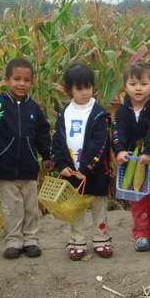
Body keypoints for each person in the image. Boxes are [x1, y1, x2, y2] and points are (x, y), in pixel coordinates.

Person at [0, 58, 52, 260]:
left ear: (32, 81)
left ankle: (31, 239)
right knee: (12, 208)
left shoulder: (33, 108)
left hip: (28, 166)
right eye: (17, 79)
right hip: (4, 166)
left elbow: (42, 133)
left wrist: (47, 156)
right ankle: (14, 241)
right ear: (7, 80)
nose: (21, 84)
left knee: (30, 207)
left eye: (26, 80)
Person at [51, 62, 112, 261]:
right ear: (70, 90)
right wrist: (63, 166)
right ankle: (77, 242)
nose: (85, 92)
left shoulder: (99, 114)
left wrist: (86, 167)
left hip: (94, 173)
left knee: (98, 208)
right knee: (75, 209)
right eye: (79, 88)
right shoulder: (64, 114)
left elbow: (100, 144)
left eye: (88, 87)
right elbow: (57, 143)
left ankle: (101, 240)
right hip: (72, 174)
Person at [112, 63, 150, 252]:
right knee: (137, 200)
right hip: (131, 162)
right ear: (125, 87)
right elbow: (118, 132)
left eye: (143, 84)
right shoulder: (122, 111)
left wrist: (148, 151)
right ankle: (141, 234)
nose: (138, 88)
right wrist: (120, 150)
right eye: (133, 84)